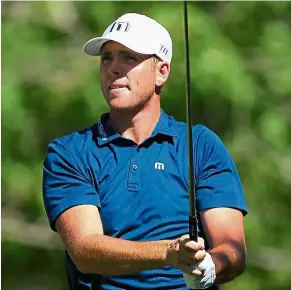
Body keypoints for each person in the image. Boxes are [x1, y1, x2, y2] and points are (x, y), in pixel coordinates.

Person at [42, 12, 247, 290]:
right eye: (107, 58)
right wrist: (168, 253)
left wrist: (209, 265)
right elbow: (85, 251)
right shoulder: (70, 152)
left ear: (161, 72)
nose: (114, 67)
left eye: (128, 57)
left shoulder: (200, 144)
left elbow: (232, 247)